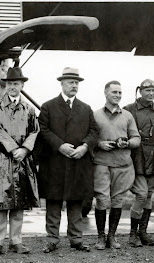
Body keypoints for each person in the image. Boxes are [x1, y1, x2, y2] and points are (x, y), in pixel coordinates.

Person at [38, 67, 99, 253]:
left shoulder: (86, 108)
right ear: (62, 84)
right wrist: (60, 145)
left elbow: (94, 131)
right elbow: (43, 129)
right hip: (54, 162)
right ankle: (52, 240)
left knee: (76, 201)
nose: (74, 85)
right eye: (71, 82)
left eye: (76, 83)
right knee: (53, 201)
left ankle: (76, 239)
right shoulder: (48, 106)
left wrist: (85, 146)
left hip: (78, 161)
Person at [0, 67, 40, 256]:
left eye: (16, 84)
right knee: (2, 203)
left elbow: (35, 131)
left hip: (23, 161)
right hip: (3, 160)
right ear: (5, 85)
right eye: (9, 84)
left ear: (22, 85)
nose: (12, 87)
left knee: (19, 204)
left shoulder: (29, 109)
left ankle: (16, 241)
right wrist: (13, 148)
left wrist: (25, 149)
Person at [92, 80, 140, 250]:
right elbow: (88, 138)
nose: (118, 95)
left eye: (120, 93)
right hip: (101, 163)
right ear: (106, 93)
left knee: (117, 200)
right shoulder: (95, 115)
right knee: (101, 200)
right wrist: (99, 144)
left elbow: (136, 138)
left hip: (122, 164)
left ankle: (112, 236)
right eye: (114, 92)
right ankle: (100, 237)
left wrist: (127, 143)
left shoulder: (127, 115)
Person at [123, 79, 154, 247]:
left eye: (153, 90)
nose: (151, 93)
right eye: (147, 90)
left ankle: (143, 233)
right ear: (140, 91)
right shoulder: (129, 110)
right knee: (141, 194)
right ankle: (132, 234)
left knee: (149, 195)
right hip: (136, 158)